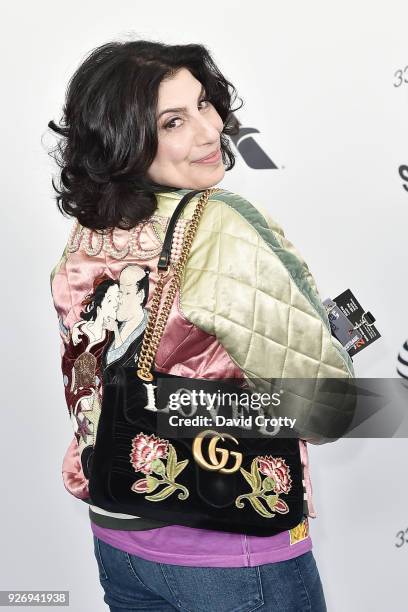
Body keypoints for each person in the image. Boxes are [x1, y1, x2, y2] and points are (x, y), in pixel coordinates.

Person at [48, 39, 354, 611]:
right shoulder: (219, 225)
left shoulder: (88, 233)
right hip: (229, 547)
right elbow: (327, 409)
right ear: (124, 139)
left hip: (119, 536)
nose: (210, 131)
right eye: (173, 122)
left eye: (204, 105)